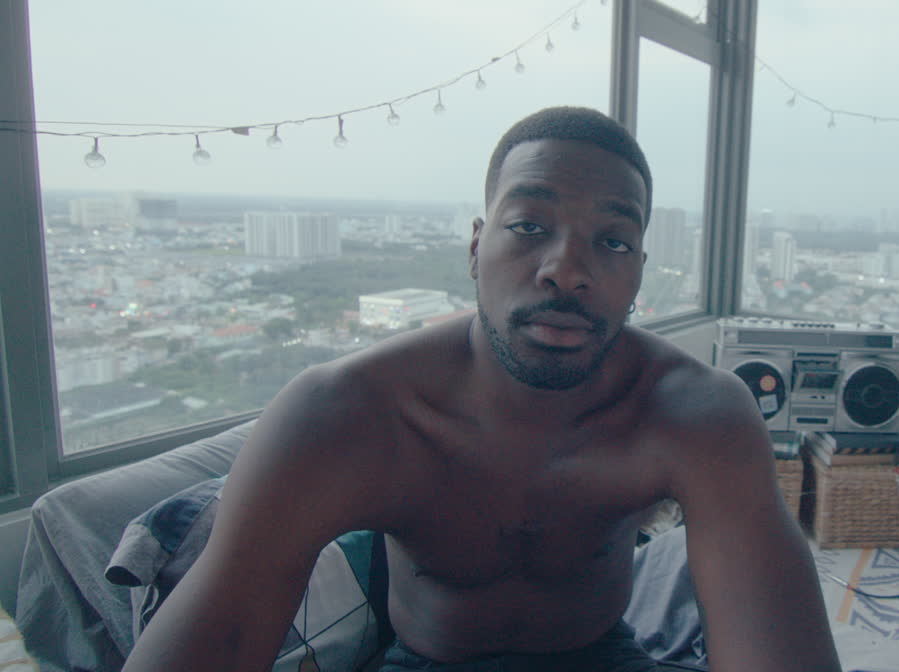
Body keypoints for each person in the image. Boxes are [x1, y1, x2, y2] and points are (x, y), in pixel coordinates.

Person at [122, 106, 842, 672]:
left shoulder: (693, 417)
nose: (567, 269)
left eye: (612, 241)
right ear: (475, 245)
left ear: (640, 271)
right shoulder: (348, 415)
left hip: (601, 658)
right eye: (529, 225)